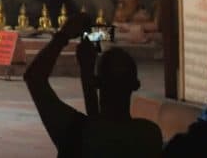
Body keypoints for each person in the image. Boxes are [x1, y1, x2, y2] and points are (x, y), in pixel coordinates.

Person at [25, 9, 162, 157]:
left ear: (97, 83)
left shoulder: (73, 131)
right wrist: (87, 76)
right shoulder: (149, 136)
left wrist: (63, 36)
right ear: (135, 85)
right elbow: (101, 134)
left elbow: (34, 78)